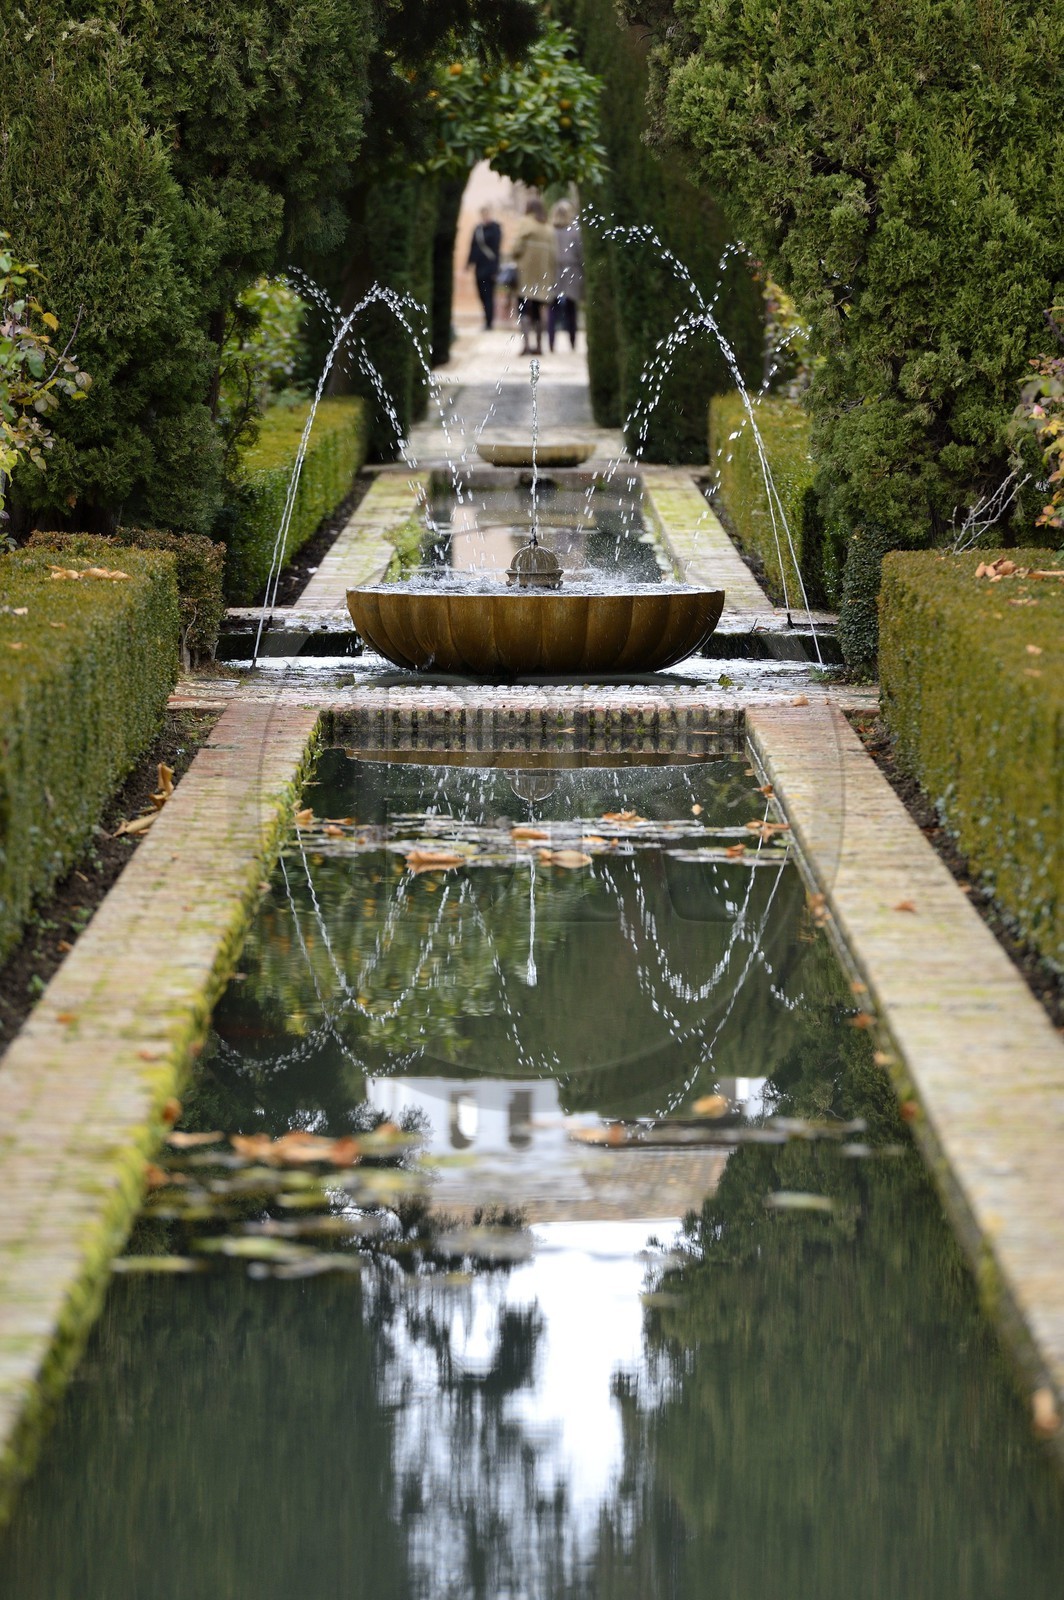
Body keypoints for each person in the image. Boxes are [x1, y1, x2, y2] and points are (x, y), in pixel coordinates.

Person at [509, 197, 557, 356]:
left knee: (523, 308)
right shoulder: (548, 228)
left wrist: (515, 255)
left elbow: (517, 248)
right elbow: (554, 255)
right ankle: (539, 345)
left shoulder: (525, 223)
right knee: (538, 310)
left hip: (525, 273)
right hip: (542, 275)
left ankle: (526, 345)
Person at [547, 200, 585, 352]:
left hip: (554, 271)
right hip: (572, 271)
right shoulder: (575, 231)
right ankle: (572, 342)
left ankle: (551, 343)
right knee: (571, 309)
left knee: (553, 308)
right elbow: (580, 253)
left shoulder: (550, 231)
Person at [467, 206, 502, 330]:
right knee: (482, 294)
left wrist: (495, 269)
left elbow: (496, 250)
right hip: (480, 267)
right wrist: (469, 262)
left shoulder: (495, 229)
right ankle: (487, 319)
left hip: (490, 267)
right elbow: (473, 246)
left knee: (489, 295)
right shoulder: (478, 230)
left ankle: (489, 322)